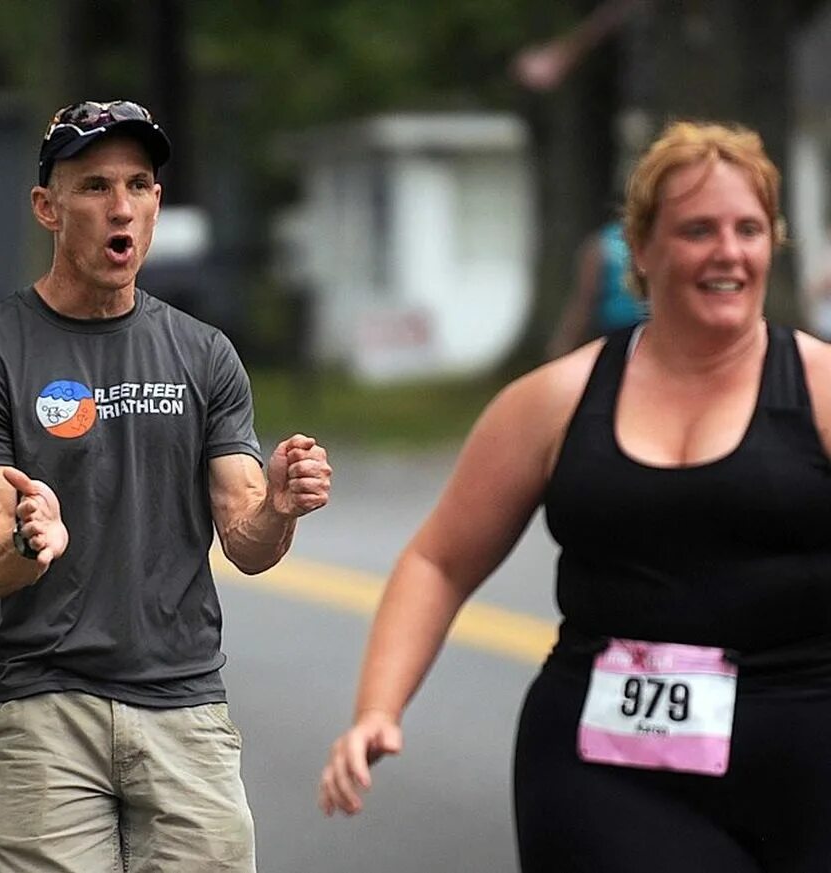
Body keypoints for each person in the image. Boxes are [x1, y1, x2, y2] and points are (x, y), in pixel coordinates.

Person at [319, 119, 831, 871]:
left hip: (807, 757)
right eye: (698, 230)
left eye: (748, 229)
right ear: (642, 249)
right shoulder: (554, 401)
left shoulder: (819, 391)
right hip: (607, 773)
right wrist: (377, 708)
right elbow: (439, 560)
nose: (729, 251)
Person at [0, 99, 333, 873]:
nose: (121, 206)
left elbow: (245, 540)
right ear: (48, 206)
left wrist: (278, 506)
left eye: (140, 184)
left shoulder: (204, 355)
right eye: (93, 186)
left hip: (185, 708)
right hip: (42, 705)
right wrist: (28, 538)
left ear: (156, 203)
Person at [547, 217, 647, 357]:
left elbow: (584, 301)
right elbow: (585, 299)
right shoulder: (602, 244)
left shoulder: (602, 243)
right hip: (615, 334)